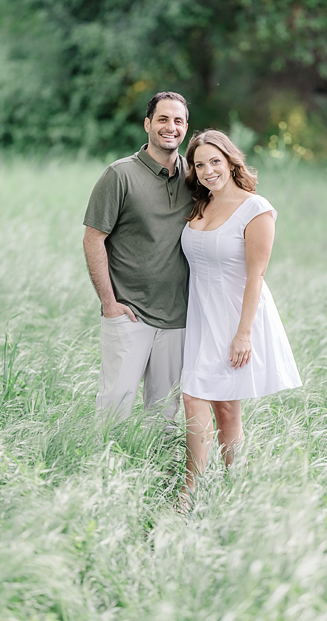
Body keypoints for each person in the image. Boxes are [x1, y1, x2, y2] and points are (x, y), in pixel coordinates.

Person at [180, 129, 302, 498]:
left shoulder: (255, 209)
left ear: (231, 162)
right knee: (214, 404)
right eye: (200, 165)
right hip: (201, 316)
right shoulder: (200, 205)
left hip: (235, 317)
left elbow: (256, 275)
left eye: (215, 161)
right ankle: (219, 490)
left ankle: (201, 493)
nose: (208, 171)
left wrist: (243, 334)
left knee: (213, 404)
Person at [83, 92, 194, 422]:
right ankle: (105, 459)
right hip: (128, 312)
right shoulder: (119, 175)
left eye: (178, 120)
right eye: (163, 119)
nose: (170, 127)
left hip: (178, 317)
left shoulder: (195, 177)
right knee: (114, 408)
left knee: (165, 415)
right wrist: (109, 303)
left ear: (186, 127)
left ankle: (159, 460)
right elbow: (93, 239)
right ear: (147, 124)